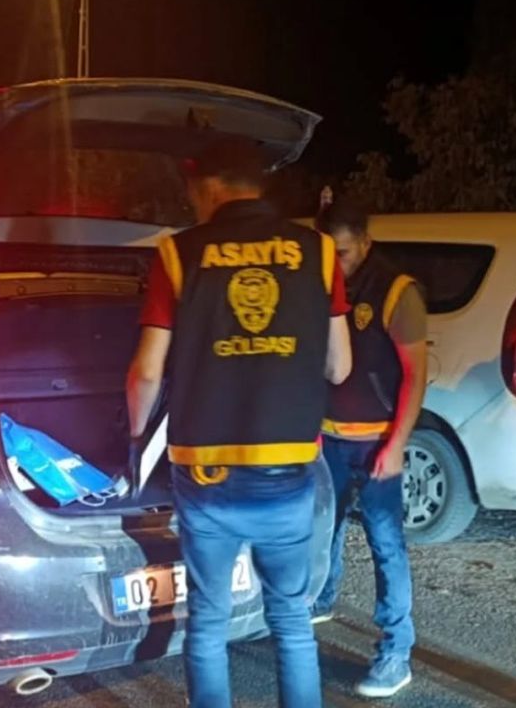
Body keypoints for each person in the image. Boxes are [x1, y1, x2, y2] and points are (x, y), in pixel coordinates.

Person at [126, 137, 352, 708]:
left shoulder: (178, 253)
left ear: (208, 188)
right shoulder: (320, 251)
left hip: (208, 474)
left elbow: (146, 373)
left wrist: (134, 436)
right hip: (289, 471)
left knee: (208, 619)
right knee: (291, 619)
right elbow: (340, 367)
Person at [311, 199, 424, 698]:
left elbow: (416, 375)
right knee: (323, 531)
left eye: (344, 253)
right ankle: (322, 600)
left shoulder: (396, 291)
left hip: (377, 442)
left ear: (365, 243)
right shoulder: (318, 284)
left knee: (385, 545)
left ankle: (396, 652)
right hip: (328, 439)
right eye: (328, 253)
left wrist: (396, 445)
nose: (336, 263)